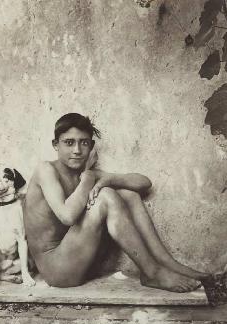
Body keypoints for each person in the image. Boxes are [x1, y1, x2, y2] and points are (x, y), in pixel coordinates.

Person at [24, 113, 210, 292]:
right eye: (69, 143)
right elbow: (67, 216)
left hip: (80, 261)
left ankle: (167, 263)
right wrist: (89, 176)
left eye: (84, 143)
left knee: (128, 195)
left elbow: (144, 182)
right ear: (55, 145)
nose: (77, 150)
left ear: (91, 146)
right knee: (106, 196)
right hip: (57, 271)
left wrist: (107, 179)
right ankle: (152, 272)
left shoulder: (86, 174)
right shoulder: (46, 170)